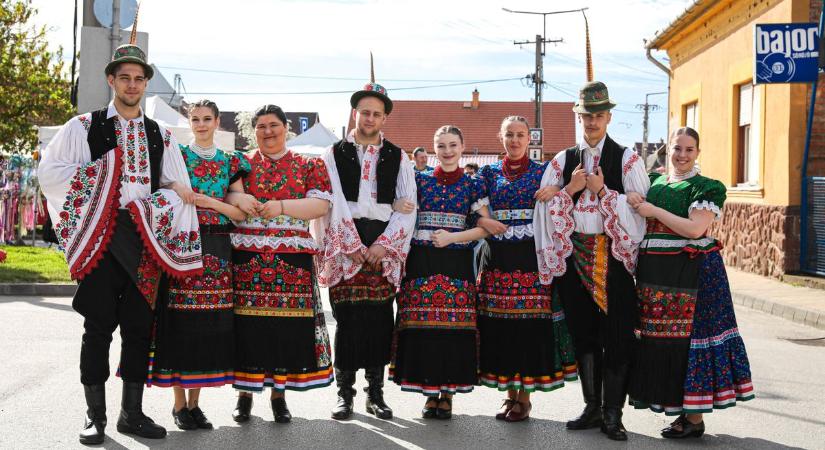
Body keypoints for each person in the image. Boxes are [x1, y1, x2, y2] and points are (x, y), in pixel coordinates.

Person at [39, 44, 202, 444]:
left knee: (138, 329)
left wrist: (159, 200)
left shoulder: (159, 134)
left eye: (139, 79)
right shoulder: (83, 126)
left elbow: (175, 187)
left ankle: (132, 413)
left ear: (146, 84)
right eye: (125, 77)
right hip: (100, 240)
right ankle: (95, 416)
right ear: (111, 80)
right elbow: (51, 174)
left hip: (143, 242)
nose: (132, 85)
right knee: (97, 328)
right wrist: (107, 180)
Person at [538, 81, 649, 441]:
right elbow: (544, 210)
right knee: (583, 334)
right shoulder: (562, 160)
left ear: (609, 117)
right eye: (587, 115)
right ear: (578, 116)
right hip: (573, 256)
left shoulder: (627, 158)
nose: (592, 122)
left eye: (598, 115)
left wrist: (602, 191)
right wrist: (570, 189)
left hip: (612, 255)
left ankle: (613, 414)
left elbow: (638, 215)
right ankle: (591, 406)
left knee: (617, 334)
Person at [628, 127, 754, 438]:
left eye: (689, 149)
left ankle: (694, 419)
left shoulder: (705, 187)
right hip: (657, 276)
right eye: (677, 148)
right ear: (667, 150)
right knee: (665, 340)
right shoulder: (655, 183)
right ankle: (682, 414)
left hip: (694, 274)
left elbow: (695, 230)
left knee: (689, 341)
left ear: (697, 152)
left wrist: (652, 209)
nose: (682, 155)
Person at [226, 104, 334, 423]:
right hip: (248, 255)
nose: (267, 131)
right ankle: (244, 395)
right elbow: (229, 196)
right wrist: (240, 200)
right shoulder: (241, 163)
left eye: (273, 125)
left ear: (286, 128)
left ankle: (279, 396)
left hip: (291, 256)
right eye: (261, 126)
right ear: (254, 131)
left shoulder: (307, 164)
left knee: (285, 327)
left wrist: (282, 206)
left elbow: (320, 205)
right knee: (247, 326)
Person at [317, 79, 416, 421]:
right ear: (355, 113)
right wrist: (353, 244)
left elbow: (409, 205)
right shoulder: (334, 153)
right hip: (347, 242)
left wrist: (384, 244)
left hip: (381, 244)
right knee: (347, 320)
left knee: (378, 320)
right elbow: (333, 201)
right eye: (364, 112)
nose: (369, 118)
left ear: (385, 118)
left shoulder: (399, 156)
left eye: (376, 113)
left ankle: (375, 393)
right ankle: (344, 394)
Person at [147, 100, 249, 430]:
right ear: (189, 122)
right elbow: (163, 192)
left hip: (219, 247)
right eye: (196, 119)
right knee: (181, 323)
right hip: (185, 245)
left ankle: (195, 404)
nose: (201, 124)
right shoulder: (177, 155)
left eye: (207, 119)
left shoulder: (231, 162)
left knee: (209, 325)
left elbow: (239, 213)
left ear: (218, 121)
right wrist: (178, 186)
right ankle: (179, 405)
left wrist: (206, 200)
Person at [472, 116, 578, 423]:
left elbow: (561, 206)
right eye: (510, 135)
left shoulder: (545, 173)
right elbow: (474, 206)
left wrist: (562, 189)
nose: (515, 140)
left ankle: (524, 398)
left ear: (529, 139)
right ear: (501, 138)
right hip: (498, 257)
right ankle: (509, 394)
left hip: (532, 257)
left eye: (520, 135)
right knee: (502, 324)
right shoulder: (488, 173)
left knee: (529, 325)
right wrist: (482, 220)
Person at [390, 125, 491, 419]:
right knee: (422, 327)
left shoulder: (473, 184)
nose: (447, 151)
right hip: (421, 260)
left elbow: (485, 226)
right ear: (434, 150)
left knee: (453, 329)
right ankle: (429, 392)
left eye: (452, 145)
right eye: (441, 146)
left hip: (456, 263)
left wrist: (451, 237)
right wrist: (397, 203)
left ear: (462, 147)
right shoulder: (419, 180)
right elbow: (398, 208)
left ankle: (447, 395)